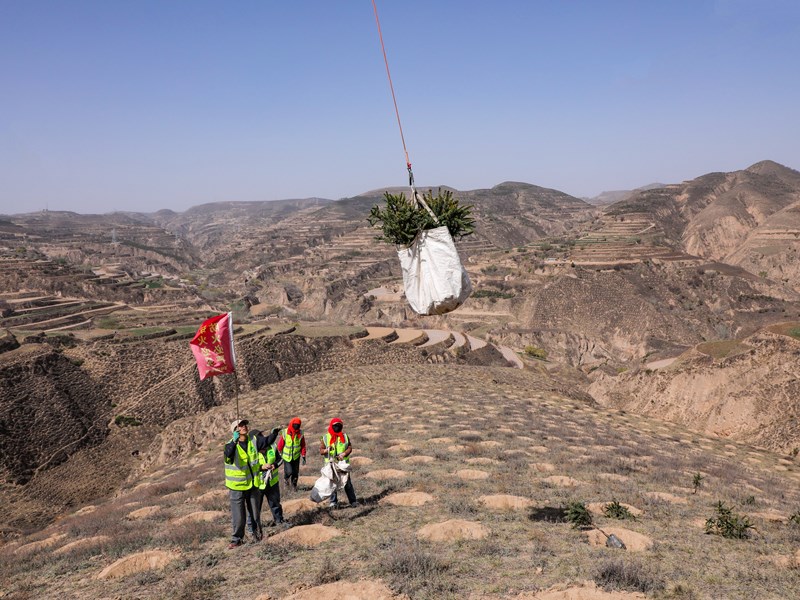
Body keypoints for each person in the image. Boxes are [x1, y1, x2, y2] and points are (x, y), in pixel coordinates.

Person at [223, 418, 263, 548]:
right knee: (239, 516)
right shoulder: (230, 445)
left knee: (255, 513)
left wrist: (274, 434)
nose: (244, 427)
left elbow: (266, 442)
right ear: (235, 431)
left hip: (252, 483)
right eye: (240, 426)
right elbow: (228, 455)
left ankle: (257, 535)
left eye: (244, 424)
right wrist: (234, 441)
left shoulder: (252, 442)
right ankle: (237, 539)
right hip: (237, 486)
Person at [319, 417, 358, 509]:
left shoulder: (345, 436)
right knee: (332, 483)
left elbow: (349, 447)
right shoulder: (325, 437)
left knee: (347, 483)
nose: (337, 427)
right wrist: (326, 450)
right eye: (335, 425)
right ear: (331, 426)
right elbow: (321, 451)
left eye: (339, 425)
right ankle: (333, 502)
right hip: (330, 464)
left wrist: (344, 454)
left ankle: (353, 501)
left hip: (343, 464)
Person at [256, 428, 286, 527]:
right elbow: (248, 467)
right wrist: (261, 467)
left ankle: (279, 521)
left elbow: (280, 459)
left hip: (272, 482)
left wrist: (274, 465)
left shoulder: (273, 446)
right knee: (256, 507)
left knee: (275, 503)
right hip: (258, 484)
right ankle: (255, 527)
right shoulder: (251, 450)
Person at [277, 417, 306, 492]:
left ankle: (294, 486)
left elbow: (302, 445)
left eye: (298, 425)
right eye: (295, 424)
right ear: (292, 424)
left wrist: (303, 455)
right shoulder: (285, 432)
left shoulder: (300, 433)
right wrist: (278, 453)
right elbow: (281, 444)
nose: (296, 426)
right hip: (287, 457)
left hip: (296, 456)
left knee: (295, 472)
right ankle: (286, 481)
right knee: (289, 471)